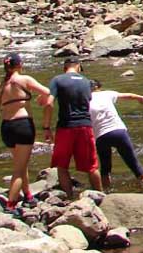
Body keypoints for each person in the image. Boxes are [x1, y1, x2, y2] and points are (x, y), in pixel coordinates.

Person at [0, 53, 52, 212]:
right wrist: (41, 98)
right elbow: (47, 91)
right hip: (23, 126)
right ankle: (11, 205)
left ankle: (28, 196)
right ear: (19, 65)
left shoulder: (0, 86)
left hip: (6, 127)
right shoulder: (24, 80)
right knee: (19, 169)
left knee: (20, 163)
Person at [43, 57, 102, 197]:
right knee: (92, 166)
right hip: (85, 126)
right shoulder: (87, 82)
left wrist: (46, 127)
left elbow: (49, 103)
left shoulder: (57, 80)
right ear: (78, 66)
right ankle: (101, 196)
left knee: (62, 166)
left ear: (65, 68)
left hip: (65, 127)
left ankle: (69, 198)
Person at [89, 80, 143, 190]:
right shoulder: (106, 94)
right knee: (134, 163)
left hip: (101, 136)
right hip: (118, 131)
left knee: (105, 168)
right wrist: (141, 98)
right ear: (98, 87)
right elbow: (128, 96)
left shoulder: (85, 100)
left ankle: (105, 191)